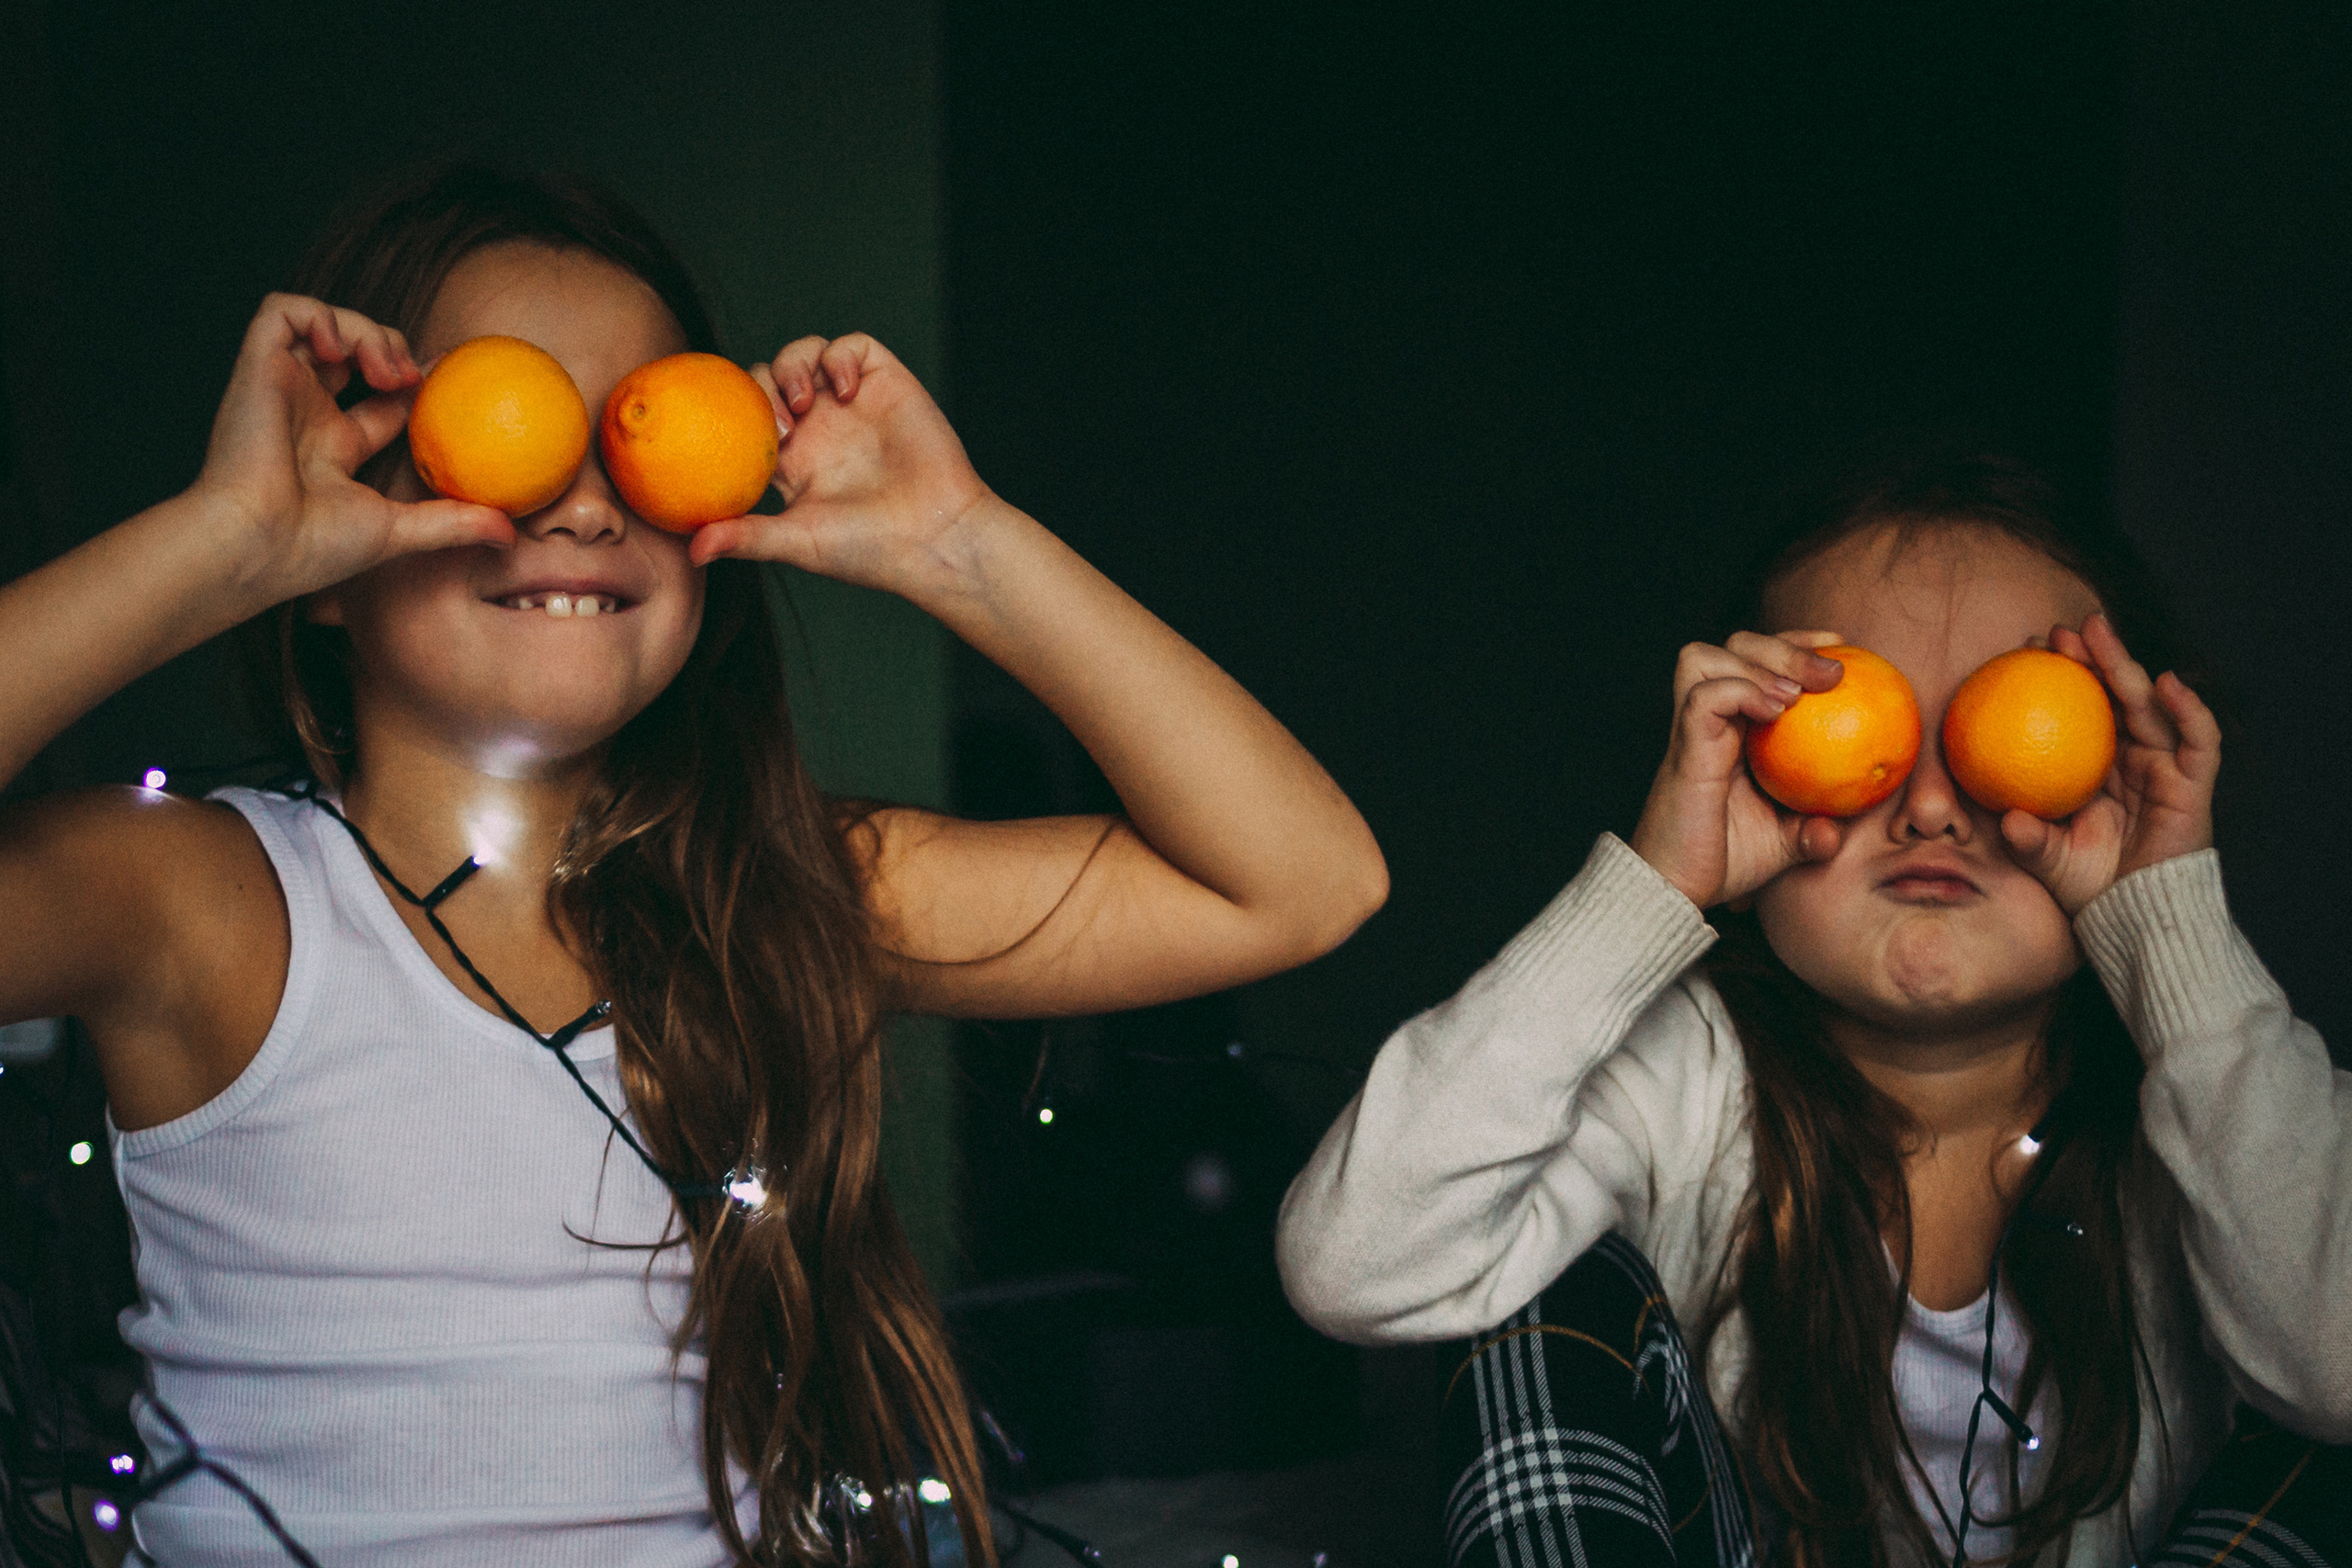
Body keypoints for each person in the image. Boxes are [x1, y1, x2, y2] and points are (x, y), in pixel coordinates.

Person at [0, 164, 1386, 1567]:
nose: (590, 504)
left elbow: (1298, 879)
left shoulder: (787, 886)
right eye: (513, 431)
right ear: (339, 540)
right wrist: (223, 538)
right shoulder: (199, 900)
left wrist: (961, 543)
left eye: (642, 439)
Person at [1276, 456, 2350, 1567]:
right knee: (1531, 1291)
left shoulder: (2220, 1115)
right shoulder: (1682, 1080)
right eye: (1849, 717)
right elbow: (1354, 1265)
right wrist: (1649, 889)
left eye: (2015, 720)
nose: (1933, 804)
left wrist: (2170, 931)